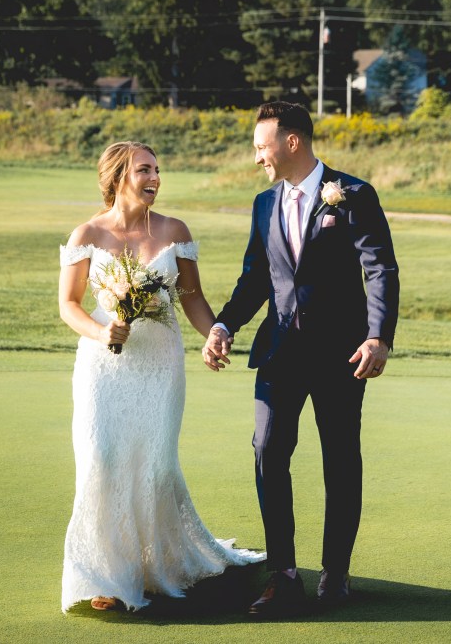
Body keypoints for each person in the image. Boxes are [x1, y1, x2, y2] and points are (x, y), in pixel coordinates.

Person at [202, 102, 400, 617]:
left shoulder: (352, 195)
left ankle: (335, 571)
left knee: (340, 457)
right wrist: (224, 325)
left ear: (292, 142)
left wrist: (378, 337)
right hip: (279, 351)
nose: (256, 158)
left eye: (261, 146)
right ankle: (283, 574)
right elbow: (255, 278)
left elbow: (379, 269)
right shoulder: (263, 203)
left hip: (343, 353)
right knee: (267, 447)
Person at [58, 141, 263, 613]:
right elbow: (69, 304)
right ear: (117, 176)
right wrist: (101, 330)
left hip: (160, 363)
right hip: (103, 364)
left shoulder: (174, 231)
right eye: (144, 170)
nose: (155, 178)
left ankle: (153, 566)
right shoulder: (87, 233)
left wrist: (214, 332)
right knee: (101, 458)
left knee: (155, 464)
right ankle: (106, 574)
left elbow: (191, 297)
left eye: (157, 170)